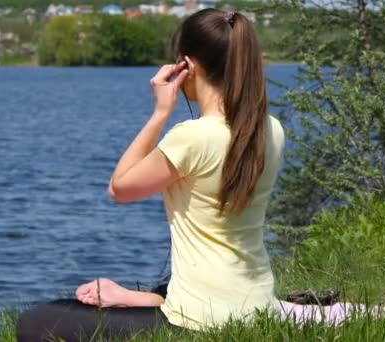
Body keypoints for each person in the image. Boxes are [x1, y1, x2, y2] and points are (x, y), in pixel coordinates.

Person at [17, 8, 285, 341]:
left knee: (37, 322)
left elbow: (120, 188)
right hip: (257, 307)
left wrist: (160, 113)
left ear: (187, 66)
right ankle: (142, 298)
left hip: (200, 320)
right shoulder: (271, 131)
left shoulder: (193, 137)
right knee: (155, 290)